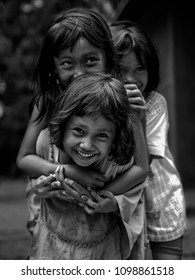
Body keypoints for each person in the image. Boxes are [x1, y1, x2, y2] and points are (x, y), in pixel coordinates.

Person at [16, 8, 148, 257]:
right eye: (67, 63)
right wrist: (69, 172)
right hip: (56, 223)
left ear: (107, 58)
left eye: (90, 61)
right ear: (54, 65)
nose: (80, 73)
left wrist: (104, 198)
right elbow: (24, 159)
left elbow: (141, 168)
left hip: (105, 224)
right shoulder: (47, 101)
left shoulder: (121, 102)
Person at [29, 73, 148, 259]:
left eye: (102, 135)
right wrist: (39, 188)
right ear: (63, 123)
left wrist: (114, 203)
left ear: (115, 138)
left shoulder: (116, 164)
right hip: (52, 251)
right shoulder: (46, 145)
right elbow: (36, 188)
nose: (86, 144)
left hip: (103, 252)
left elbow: (138, 184)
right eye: (79, 131)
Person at [111, 20, 186, 259]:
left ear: (151, 69)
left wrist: (136, 117)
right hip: (122, 205)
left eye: (140, 69)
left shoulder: (154, 104)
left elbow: (147, 158)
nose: (131, 79)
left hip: (159, 200)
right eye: (121, 70)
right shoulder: (99, 107)